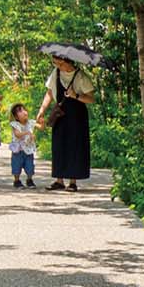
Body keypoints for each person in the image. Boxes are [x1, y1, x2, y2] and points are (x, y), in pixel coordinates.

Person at [38, 52, 97, 191]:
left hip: (77, 116)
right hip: (60, 114)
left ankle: (72, 182)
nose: (57, 66)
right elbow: (50, 93)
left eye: (60, 63)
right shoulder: (56, 73)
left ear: (68, 61)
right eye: (55, 63)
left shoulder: (81, 76)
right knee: (58, 145)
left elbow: (91, 99)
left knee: (74, 145)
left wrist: (75, 95)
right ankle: (59, 180)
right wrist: (42, 110)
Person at [5, 102, 38, 187]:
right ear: (16, 117)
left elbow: (40, 127)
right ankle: (16, 180)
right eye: (20, 111)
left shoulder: (30, 122)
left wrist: (42, 122)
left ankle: (29, 179)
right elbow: (17, 134)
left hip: (28, 149)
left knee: (30, 166)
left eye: (24, 110)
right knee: (16, 166)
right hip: (18, 150)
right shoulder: (15, 124)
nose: (24, 112)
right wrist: (27, 133)